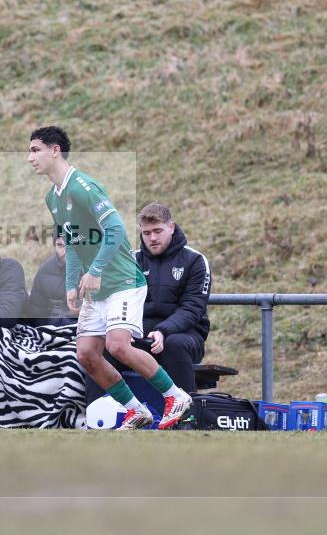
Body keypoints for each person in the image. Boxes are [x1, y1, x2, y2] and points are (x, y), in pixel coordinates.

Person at [27, 126, 191, 430]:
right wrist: (71, 283)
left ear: (55, 151)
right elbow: (73, 241)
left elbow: (116, 231)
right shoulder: (53, 198)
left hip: (123, 283)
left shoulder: (84, 187)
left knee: (118, 345)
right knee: (87, 355)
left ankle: (175, 396)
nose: (29, 157)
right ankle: (135, 410)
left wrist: (96, 270)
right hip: (95, 289)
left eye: (35, 149)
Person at [86, 203, 211, 401]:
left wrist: (163, 330)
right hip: (139, 333)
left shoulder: (195, 260)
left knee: (174, 345)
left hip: (184, 335)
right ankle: (98, 417)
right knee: (103, 348)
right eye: (146, 233)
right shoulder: (130, 261)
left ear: (171, 227)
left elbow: (193, 308)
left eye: (158, 231)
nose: (152, 238)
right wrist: (123, 329)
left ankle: (186, 415)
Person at [24, 233, 76, 327]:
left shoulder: (95, 269)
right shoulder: (45, 271)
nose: (65, 251)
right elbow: (36, 313)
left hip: (87, 330)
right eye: (60, 245)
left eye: (70, 245)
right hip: (53, 331)